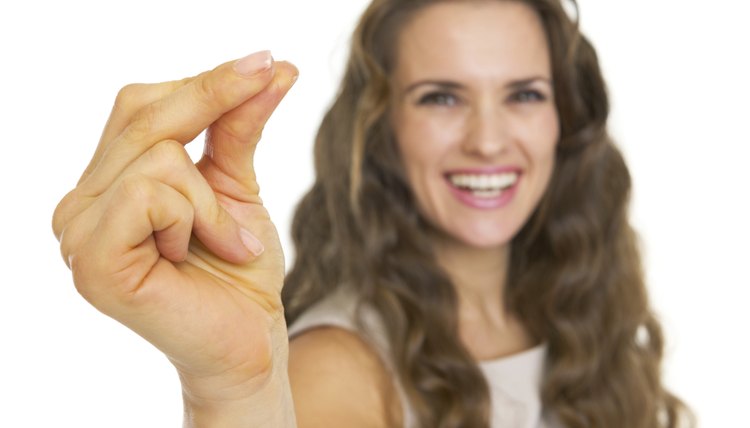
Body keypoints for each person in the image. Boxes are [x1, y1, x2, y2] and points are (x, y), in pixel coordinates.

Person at [52, 0, 692, 427]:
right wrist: (233, 392)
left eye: (524, 94)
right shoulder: (340, 369)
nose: (490, 140)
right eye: (442, 97)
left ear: (566, 122)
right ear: (382, 131)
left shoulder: (582, 307)